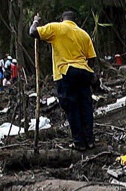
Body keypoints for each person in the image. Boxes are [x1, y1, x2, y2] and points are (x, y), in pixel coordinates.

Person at [30, 10, 98, 150]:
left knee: (72, 107)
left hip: (66, 71)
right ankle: (90, 140)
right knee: (85, 106)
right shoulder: (83, 34)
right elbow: (91, 58)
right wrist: (88, 73)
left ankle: (79, 142)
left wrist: (36, 20)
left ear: (62, 19)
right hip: (84, 71)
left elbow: (33, 32)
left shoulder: (57, 28)